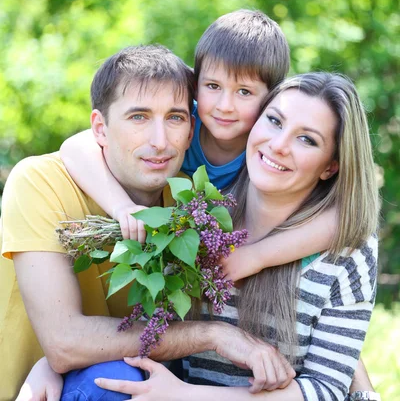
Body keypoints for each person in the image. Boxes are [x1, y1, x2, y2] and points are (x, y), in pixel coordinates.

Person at [87, 72, 380, 401]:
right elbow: (149, 330)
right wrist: (54, 363)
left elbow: (325, 389)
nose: (279, 145)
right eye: (274, 121)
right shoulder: (199, 214)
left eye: (307, 140)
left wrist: (185, 396)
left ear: (330, 166)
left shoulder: (346, 252)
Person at [59, 10, 338, 284]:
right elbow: (75, 147)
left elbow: (342, 221)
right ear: (195, 84)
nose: (224, 106)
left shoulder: (267, 151)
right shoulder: (178, 122)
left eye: (244, 92)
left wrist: (256, 256)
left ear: (271, 98)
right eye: (213, 86)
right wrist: (121, 207)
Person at [0, 44, 197, 401]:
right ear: (100, 129)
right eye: (138, 117)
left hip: (109, 375)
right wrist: (213, 335)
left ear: (191, 130)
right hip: (25, 392)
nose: (159, 141)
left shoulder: (190, 204)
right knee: (113, 377)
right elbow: (63, 343)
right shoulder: (41, 181)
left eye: (175, 117)